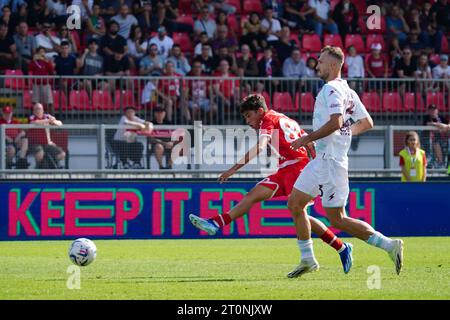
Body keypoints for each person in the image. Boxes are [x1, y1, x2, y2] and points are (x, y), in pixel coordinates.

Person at [189, 94, 354, 274]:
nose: (247, 121)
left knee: (300, 214)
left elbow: (260, 147)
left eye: (249, 116)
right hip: (286, 169)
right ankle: (217, 223)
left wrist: (232, 169)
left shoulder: (267, 120)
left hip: (298, 168)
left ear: (260, 111)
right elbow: (309, 141)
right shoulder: (281, 117)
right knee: (253, 195)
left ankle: (333, 250)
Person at [286, 46, 403, 278]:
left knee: (337, 218)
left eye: (319, 62)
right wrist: (342, 134)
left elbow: (336, 121)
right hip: (322, 160)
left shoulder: (331, 88)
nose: (316, 65)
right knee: (295, 204)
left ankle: (390, 245)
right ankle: (308, 259)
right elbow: (366, 122)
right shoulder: (348, 90)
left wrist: (307, 138)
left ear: (331, 65)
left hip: (331, 163)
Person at [28, 102, 66, 169]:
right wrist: (48, 120)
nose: (38, 111)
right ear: (33, 111)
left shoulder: (47, 117)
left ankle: (50, 165)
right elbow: (35, 122)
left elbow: (60, 124)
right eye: (36, 109)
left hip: (47, 143)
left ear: (43, 110)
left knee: (62, 154)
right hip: (35, 143)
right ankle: (39, 169)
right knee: (40, 154)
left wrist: (53, 121)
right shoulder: (32, 117)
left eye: (39, 109)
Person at [28, 47, 55, 114]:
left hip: (45, 84)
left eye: (43, 52)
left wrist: (47, 62)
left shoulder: (46, 62)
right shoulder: (34, 62)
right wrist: (33, 60)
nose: (41, 53)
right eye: (40, 52)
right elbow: (30, 68)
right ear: (37, 53)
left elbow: (51, 71)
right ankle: (35, 116)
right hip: (36, 84)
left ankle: (51, 117)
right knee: (35, 102)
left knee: (49, 102)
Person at [149, 105, 175, 169]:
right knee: (159, 147)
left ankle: (169, 166)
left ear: (164, 114)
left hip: (168, 144)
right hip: (156, 145)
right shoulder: (151, 124)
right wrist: (164, 143)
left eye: (162, 112)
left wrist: (171, 142)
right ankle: (161, 166)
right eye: (158, 112)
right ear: (155, 114)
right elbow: (151, 138)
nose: (160, 114)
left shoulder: (169, 123)